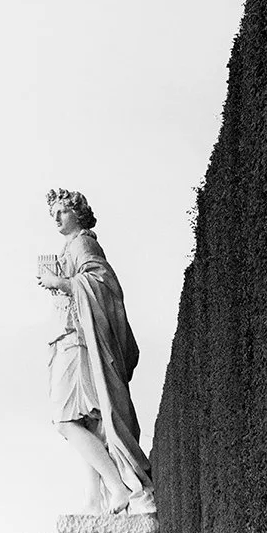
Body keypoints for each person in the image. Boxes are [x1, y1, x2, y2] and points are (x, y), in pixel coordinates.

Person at [37, 188, 157, 515]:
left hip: (77, 344)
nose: (57, 219)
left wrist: (61, 284)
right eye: (54, 215)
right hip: (69, 340)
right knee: (87, 423)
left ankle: (117, 487)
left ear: (78, 212)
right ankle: (95, 500)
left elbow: (103, 283)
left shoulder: (83, 243)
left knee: (65, 420)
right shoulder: (69, 247)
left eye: (63, 212)